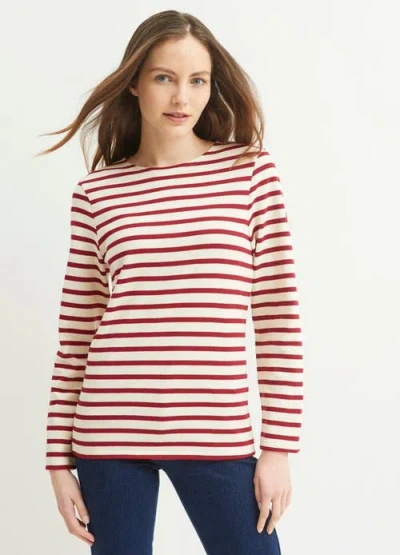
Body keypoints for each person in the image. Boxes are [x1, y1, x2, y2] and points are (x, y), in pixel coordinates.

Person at [39, 9, 304, 555]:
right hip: (108, 433)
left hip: (217, 433)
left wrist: (278, 449)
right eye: (164, 77)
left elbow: (277, 318)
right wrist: (58, 463)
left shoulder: (250, 173)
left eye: (198, 80)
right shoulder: (97, 194)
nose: (182, 97)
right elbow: (77, 335)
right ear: (135, 82)